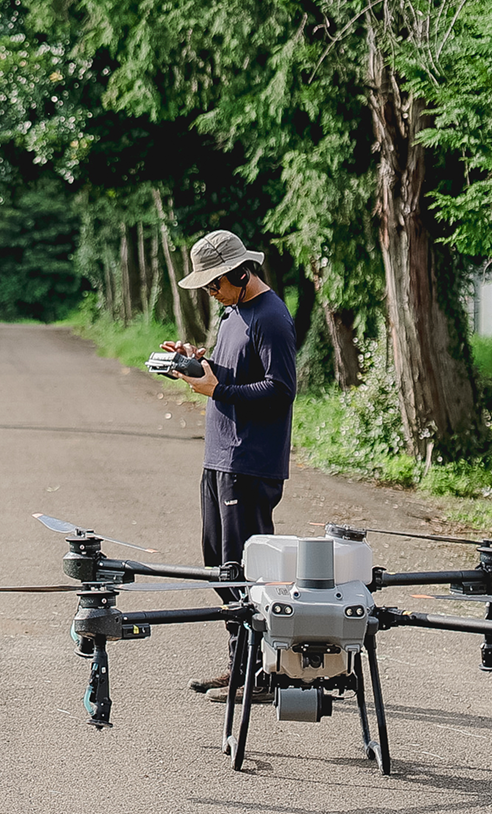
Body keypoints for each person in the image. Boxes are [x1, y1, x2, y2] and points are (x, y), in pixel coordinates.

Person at [160, 229, 296, 703]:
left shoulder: (271, 317)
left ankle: (263, 675)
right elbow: (232, 373)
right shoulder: (233, 311)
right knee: (221, 567)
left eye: (214, 284)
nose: (210, 293)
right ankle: (243, 663)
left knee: (247, 569)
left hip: (250, 460)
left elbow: (281, 390)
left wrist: (217, 390)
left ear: (241, 273)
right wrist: (197, 365)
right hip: (220, 455)